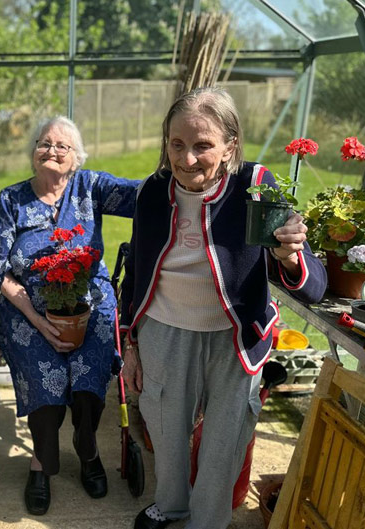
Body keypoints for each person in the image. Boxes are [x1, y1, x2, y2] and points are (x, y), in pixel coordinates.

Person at [119, 87, 326, 529]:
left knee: (224, 440)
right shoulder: (153, 193)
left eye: (202, 145)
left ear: (230, 145)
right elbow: (136, 269)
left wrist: (290, 256)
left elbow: (315, 288)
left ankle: (206, 521)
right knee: (165, 428)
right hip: (163, 329)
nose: (187, 159)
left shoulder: (255, 186)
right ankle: (171, 506)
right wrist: (130, 342)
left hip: (235, 338)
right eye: (176, 144)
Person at [0, 116, 141, 515]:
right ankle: (42, 461)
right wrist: (39, 320)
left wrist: (184, 170)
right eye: (44, 143)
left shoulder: (91, 187)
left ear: (76, 158)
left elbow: (145, 196)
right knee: (46, 380)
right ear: (33, 151)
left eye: (62, 146)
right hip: (27, 308)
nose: (52, 151)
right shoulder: (11, 200)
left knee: (89, 378)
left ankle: (87, 449)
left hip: (88, 298)